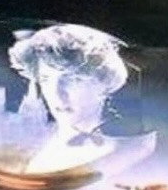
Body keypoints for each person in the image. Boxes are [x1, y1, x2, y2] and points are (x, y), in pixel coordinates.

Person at [8, 23, 129, 171]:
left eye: (71, 79)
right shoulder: (36, 149)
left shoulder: (129, 147)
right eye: (45, 79)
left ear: (103, 81)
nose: (56, 93)